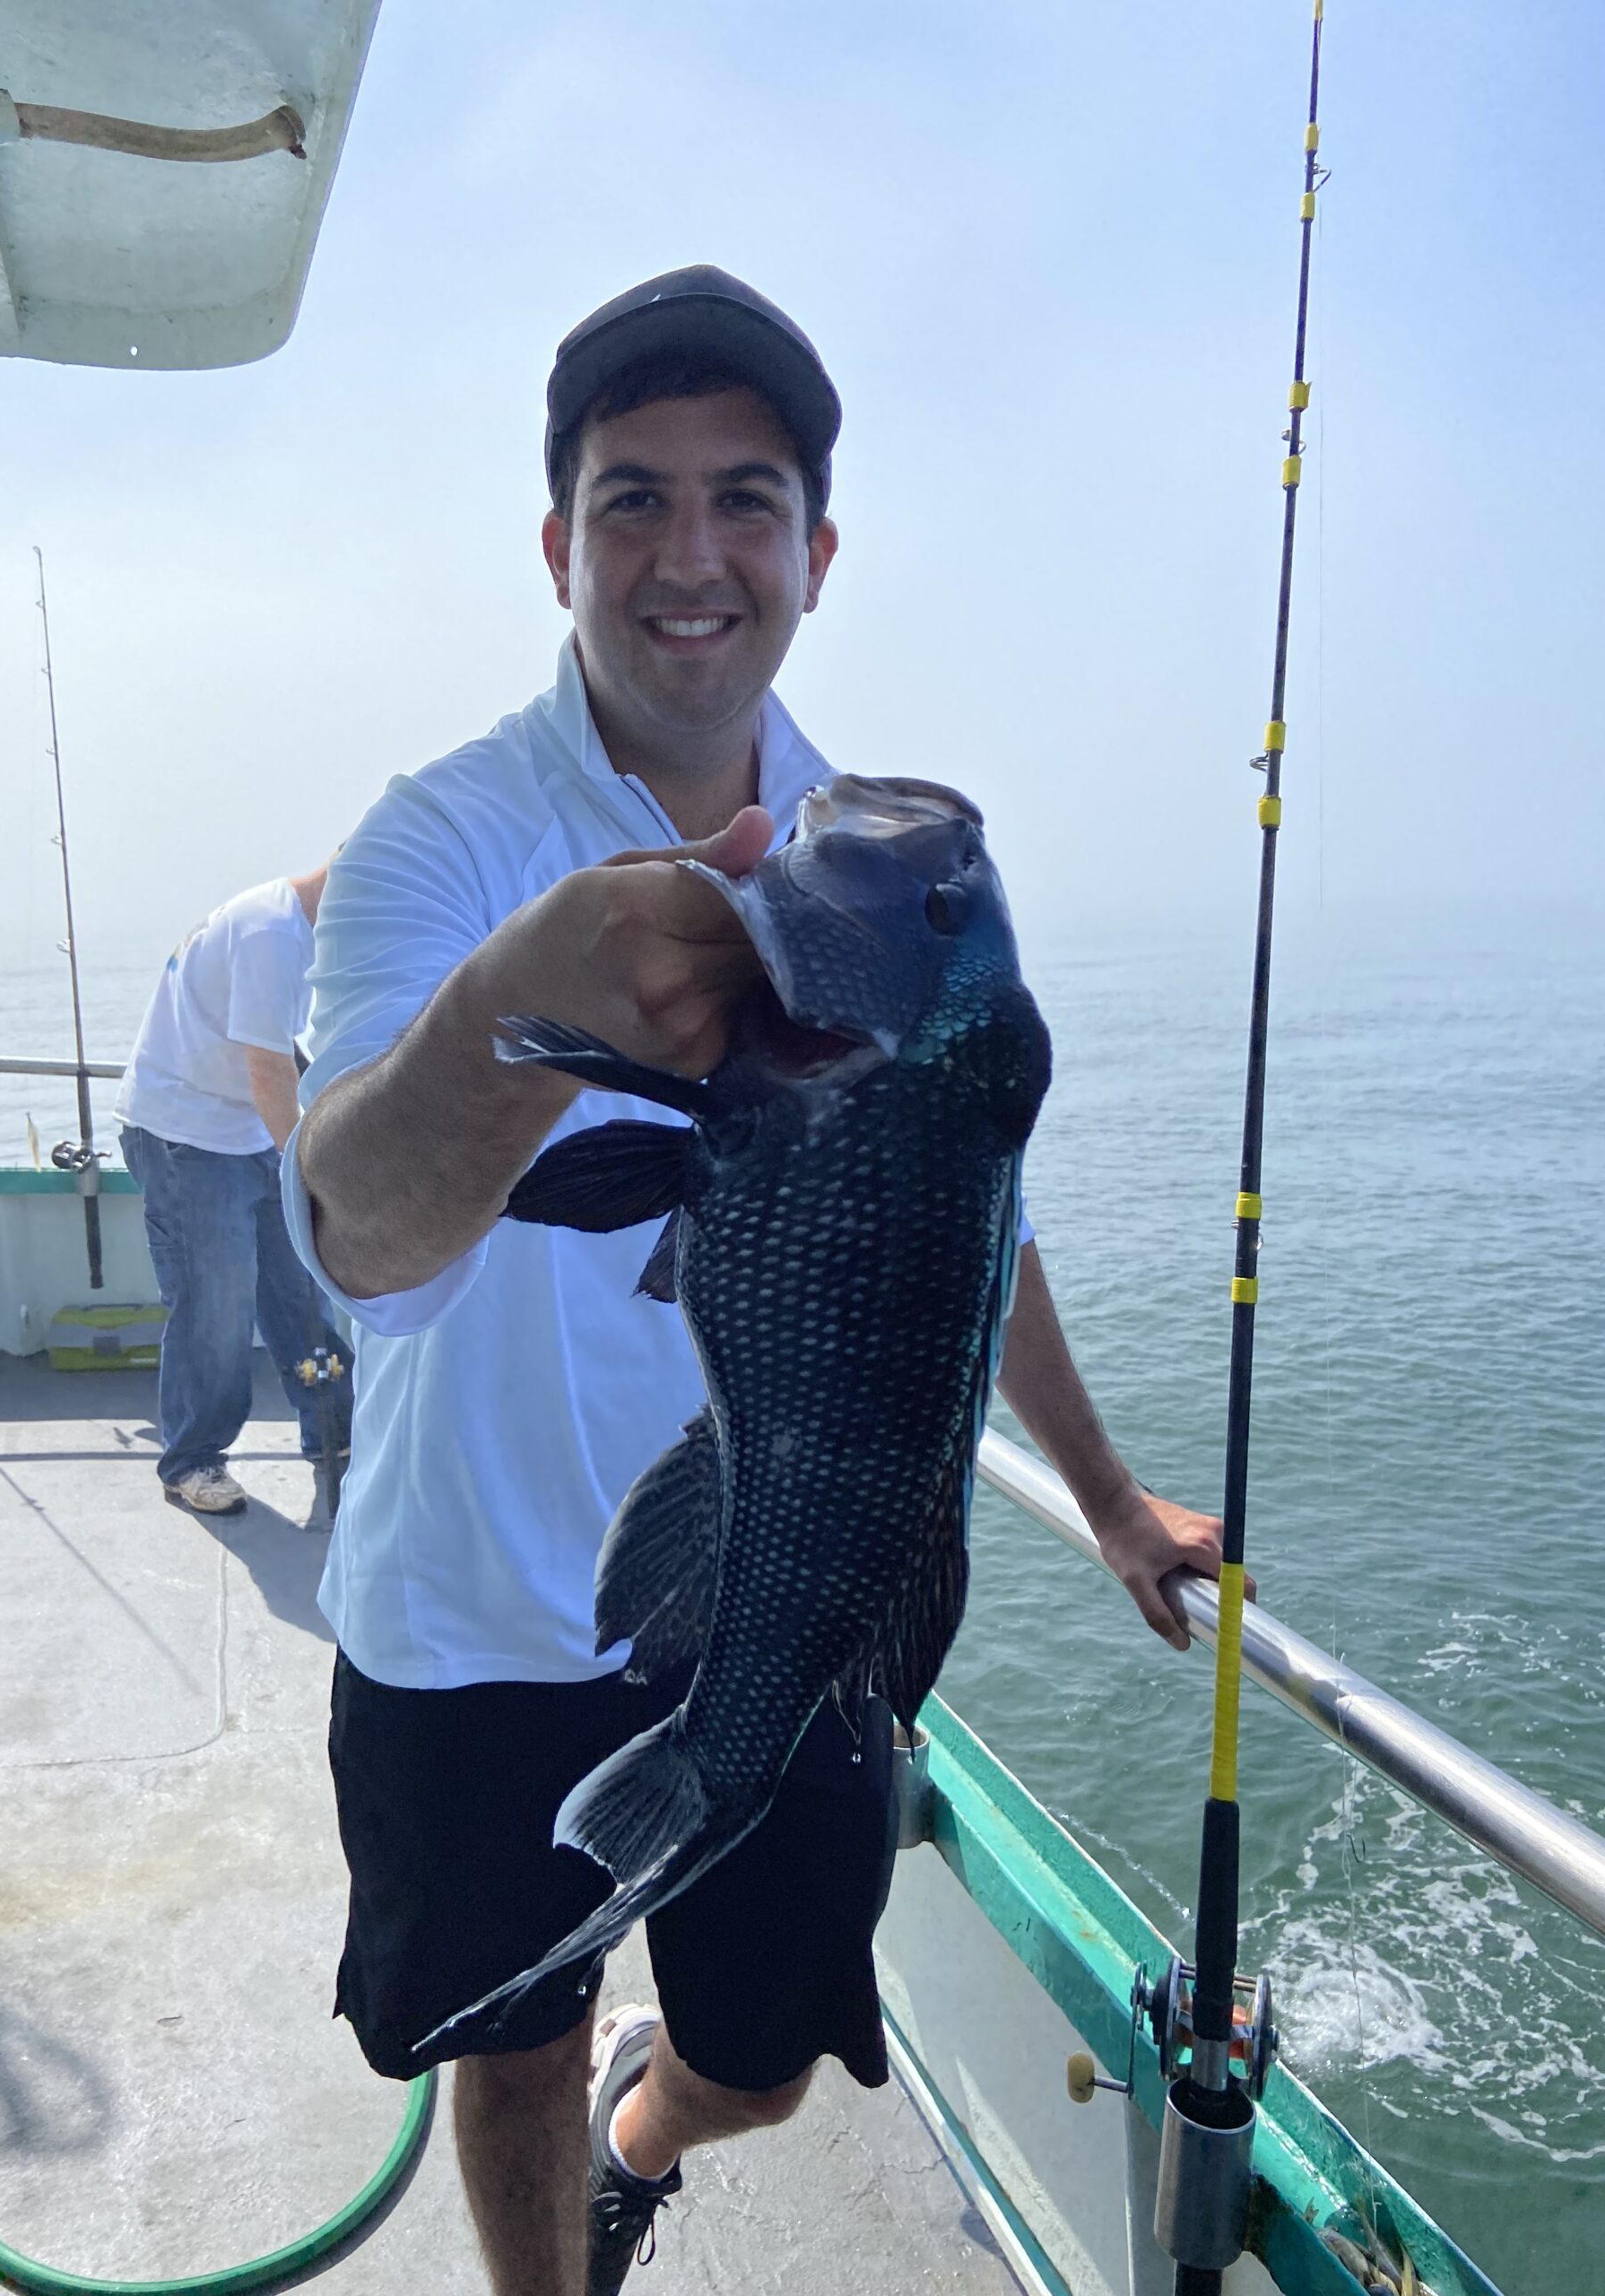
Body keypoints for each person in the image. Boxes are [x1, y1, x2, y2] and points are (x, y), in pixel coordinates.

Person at [288, 266, 1229, 2296]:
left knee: (762, 2055)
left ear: (815, 548)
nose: (689, 553)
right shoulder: (434, 840)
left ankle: (664, 2123)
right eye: (633, 498)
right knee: (502, 2040)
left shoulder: (888, 876)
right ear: (560, 543)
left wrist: (1106, 1486)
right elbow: (358, 1227)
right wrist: (515, 1001)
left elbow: (974, 1219)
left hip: (789, 1594)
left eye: (744, 498)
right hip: (470, 1609)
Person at [117, 868, 352, 1516]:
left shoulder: (290, 926)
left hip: (246, 1128)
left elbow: (279, 1046)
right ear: (348, 883)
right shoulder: (271, 934)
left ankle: (333, 1432)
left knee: (299, 1289)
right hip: (186, 1136)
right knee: (214, 1305)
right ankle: (192, 1459)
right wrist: (314, 1173)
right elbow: (268, 1070)